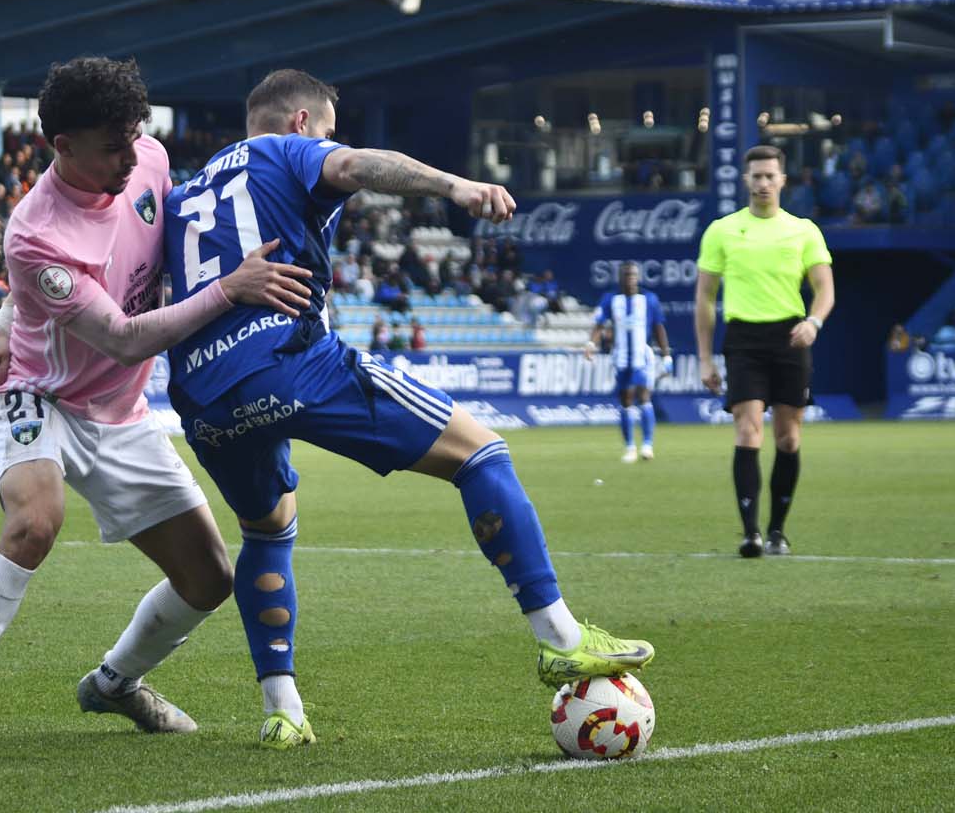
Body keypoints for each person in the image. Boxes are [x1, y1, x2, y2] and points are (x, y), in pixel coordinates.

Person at [162, 69, 653, 749]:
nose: (331, 141)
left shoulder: (186, 191)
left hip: (204, 398)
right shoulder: (287, 150)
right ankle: (561, 637)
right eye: (327, 130)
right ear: (302, 121)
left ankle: (283, 710)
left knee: (268, 532)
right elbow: (359, 166)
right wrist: (456, 187)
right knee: (480, 452)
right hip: (288, 361)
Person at [0, 58, 312, 767]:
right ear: (61, 146)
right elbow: (125, 335)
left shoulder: (149, 160)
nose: (132, 158)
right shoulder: (35, 231)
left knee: (209, 579)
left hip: (120, 411)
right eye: (112, 146)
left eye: (136, 136)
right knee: (35, 522)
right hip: (37, 395)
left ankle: (114, 683)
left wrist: (13, 315)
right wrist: (233, 289)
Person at [695, 144, 835, 559]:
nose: (762, 183)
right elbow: (704, 298)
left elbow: (825, 287)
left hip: (790, 338)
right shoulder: (722, 230)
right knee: (747, 430)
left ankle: (778, 530)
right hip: (743, 340)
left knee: (789, 438)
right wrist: (705, 357)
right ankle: (751, 533)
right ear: (746, 181)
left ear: (782, 180)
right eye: (755, 176)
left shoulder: (803, 229)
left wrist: (814, 322)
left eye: (769, 176)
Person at [586, 261, 670, 463]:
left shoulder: (649, 299)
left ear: (638, 277)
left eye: (633, 275)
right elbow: (599, 324)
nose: (630, 279)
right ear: (620, 278)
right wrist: (591, 344)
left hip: (643, 356)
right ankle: (630, 447)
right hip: (621, 357)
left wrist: (666, 354)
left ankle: (647, 445)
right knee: (625, 400)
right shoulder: (610, 299)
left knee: (643, 395)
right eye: (626, 275)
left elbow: (658, 327)